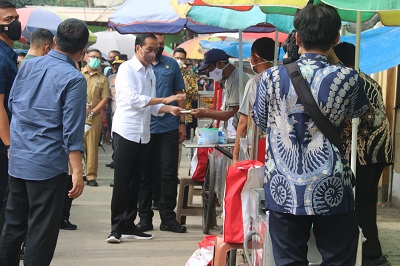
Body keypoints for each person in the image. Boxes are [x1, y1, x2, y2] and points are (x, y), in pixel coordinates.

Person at [252, 4, 370, 265]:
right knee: (339, 259)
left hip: (283, 187)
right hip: (331, 186)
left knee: (288, 261)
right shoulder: (349, 78)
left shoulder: (270, 77)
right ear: (337, 38)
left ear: (297, 38)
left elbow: (261, 122)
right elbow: (357, 114)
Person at [0, 18, 87, 266]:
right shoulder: (74, 79)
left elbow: (13, 105)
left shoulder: (29, 65)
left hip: (18, 157)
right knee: (41, 231)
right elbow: (72, 130)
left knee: (13, 224)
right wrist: (77, 172)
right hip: (47, 164)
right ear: (82, 51)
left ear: (55, 41)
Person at [107, 33, 184, 243]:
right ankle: (115, 228)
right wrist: (165, 99)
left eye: (155, 49)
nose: (152, 53)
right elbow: (133, 99)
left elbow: (152, 106)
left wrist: (170, 109)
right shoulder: (126, 69)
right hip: (126, 131)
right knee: (122, 181)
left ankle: (129, 225)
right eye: (149, 49)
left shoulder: (150, 73)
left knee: (138, 182)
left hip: (143, 133)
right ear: (137, 48)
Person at [333, 42, 393, 266]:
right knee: (366, 201)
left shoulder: (351, 81)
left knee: (361, 203)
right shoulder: (367, 79)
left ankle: (369, 254)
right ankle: (370, 251)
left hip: (365, 153)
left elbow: (352, 119)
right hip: (378, 151)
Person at [137, 33, 187, 233]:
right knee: (145, 174)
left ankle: (168, 218)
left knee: (168, 174)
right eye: (152, 45)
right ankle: (144, 218)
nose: (156, 48)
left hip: (167, 127)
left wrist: (182, 122)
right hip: (145, 127)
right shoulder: (138, 67)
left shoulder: (171, 65)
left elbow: (180, 94)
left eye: (159, 45)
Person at [232, 37, 275, 165]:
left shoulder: (254, 83)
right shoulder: (283, 78)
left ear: (254, 57)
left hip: (259, 148)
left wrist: (235, 157)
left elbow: (243, 122)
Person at [191, 48, 248, 131]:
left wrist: (206, 113)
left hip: (242, 129)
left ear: (219, 64)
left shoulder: (237, 80)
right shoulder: (229, 79)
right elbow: (225, 110)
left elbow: (232, 113)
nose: (210, 73)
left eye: (210, 69)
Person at [0, 0, 20, 233]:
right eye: (8, 20)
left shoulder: (9, 54)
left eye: (15, 18)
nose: (14, 23)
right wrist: (9, 144)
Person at [82, 48, 110, 187]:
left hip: (95, 116)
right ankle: (78, 172)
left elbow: (105, 99)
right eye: (93, 56)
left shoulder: (102, 78)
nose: (95, 59)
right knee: (77, 144)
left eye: (98, 58)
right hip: (77, 114)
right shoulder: (79, 74)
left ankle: (91, 175)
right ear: (86, 57)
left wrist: (92, 111)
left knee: (92, 145)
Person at [106, 54, 127, 187]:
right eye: (116, 65)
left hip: (127, 120)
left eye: (121, 65)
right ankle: (118, 178)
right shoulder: (111, 79)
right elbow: (108, 98)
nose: (118, 67)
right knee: (116, 149)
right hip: (114, 117)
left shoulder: (132, 78)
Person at [172, 47, 198, 140]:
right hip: (170, 111)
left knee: (182, 140)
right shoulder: (169, 72)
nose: (179, 60)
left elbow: (195, 94)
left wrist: (183, 90)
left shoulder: (190, 74)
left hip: (185, 113)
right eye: (176, 58)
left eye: (181, 58)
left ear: (185, 60)